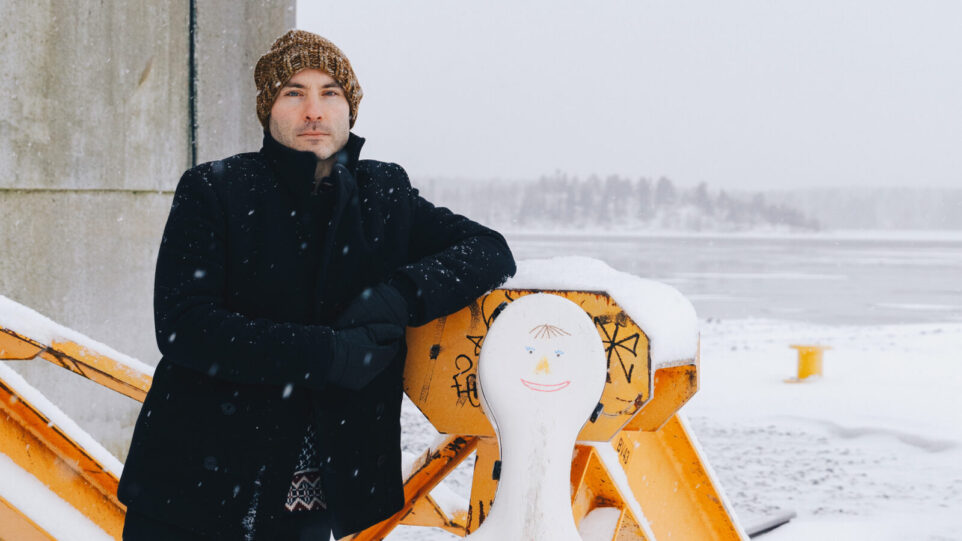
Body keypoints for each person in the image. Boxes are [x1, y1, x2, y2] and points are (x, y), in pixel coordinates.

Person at [118, 29, 516, 540]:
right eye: (294, 92)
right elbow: (184, 326)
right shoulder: (215, 189)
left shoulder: (384, 193)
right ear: (269, 110)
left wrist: (395, 297)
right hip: (197, 488)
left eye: (330, 93)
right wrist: (327, 354)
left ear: (349, 110)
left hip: (317, 496)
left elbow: (488, 250)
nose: (314, 110)